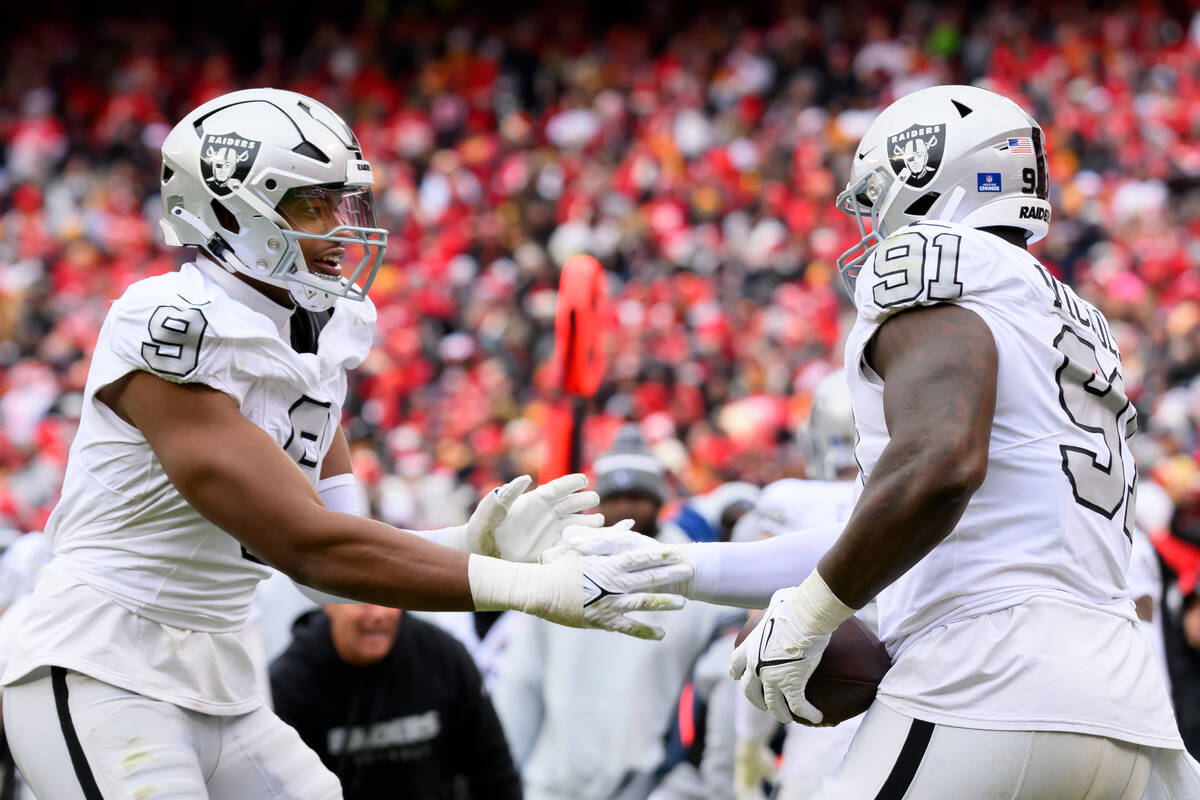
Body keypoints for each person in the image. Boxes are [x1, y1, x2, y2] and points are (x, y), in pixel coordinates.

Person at [0, 89, 690, 800]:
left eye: (342, 203)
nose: (339, 227)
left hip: (219, 673)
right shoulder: (172, 322)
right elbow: (309, 546)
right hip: (102, 664)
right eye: (311, 206)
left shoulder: (321, 328)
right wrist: (528, 588)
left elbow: (331, 564)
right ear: (231, 214)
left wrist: (467, 545)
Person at [574, 85, 1200, 798]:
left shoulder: (935, 261)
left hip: (986, 680)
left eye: (877, 195)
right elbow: (894, 530)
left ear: (930, 171)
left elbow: (939, 466)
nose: (873, 224)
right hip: (1125, 711)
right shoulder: (1066, 312)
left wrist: (811, 614)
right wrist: (675, 568)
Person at [492, 427, 740, 800]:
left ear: (658, 500)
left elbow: (715, 689)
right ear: (598, 502)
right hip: (555, 783)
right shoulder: (559, 568)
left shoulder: (691, 575)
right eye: (615, 497)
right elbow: (522, 683)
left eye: (637, 497)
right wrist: (504, 777)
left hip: (651, 785)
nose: (626, 507)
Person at [270, 603, 521, 800]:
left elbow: (495, 773)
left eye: (387, 597)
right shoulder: (290, 683)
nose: (378, 614)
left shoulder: (442, 657)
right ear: (326, 601)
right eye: (361, 600)